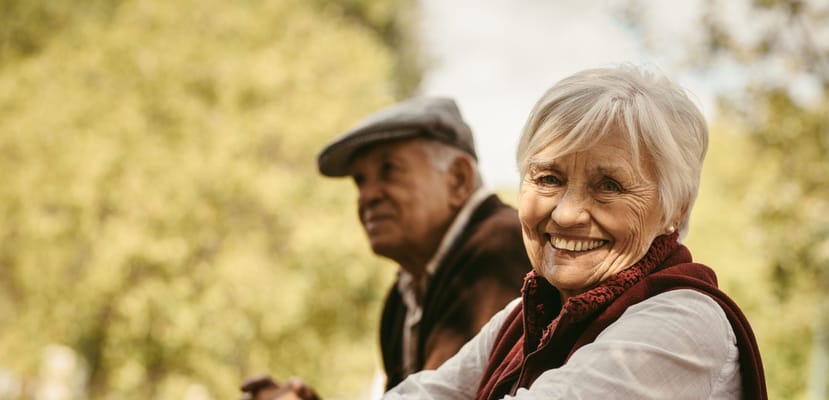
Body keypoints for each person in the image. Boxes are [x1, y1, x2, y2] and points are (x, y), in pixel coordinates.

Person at [380, 66, 768, 398]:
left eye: (610, 186)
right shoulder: (524, 316)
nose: (566, 215)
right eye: (548, 178)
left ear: (674, 210)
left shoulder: (683, 324)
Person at [239, 97, 531, 399]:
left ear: (458, 179)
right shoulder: (402, 296)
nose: (367, 196)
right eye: (359, 181)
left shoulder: (497, 249)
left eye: (389, 169)